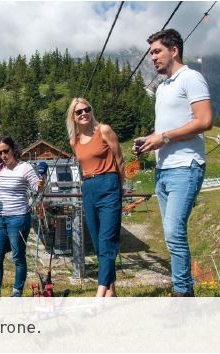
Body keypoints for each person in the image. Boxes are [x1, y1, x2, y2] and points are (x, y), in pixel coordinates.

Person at [133, 29, 213, 297]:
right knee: (170, 234)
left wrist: (164, 137)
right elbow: (166, 131)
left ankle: (183, 295)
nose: (152, 58)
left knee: (174, 232)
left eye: (156, 51)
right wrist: (150, 141)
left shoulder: (191, 78)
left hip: (186, 166)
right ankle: (182, 291)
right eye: (151, 53)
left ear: (174, 50)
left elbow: (204, 121)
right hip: (164, 169)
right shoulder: (163, 87)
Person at [67, 98, 124, 297]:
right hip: (88, 188)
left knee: (108, 239)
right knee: (99, 242)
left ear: (91, 111)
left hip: (109, 183)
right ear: (73, 118)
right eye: (78, 112)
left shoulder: (104, 130)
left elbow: (119, 160)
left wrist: (119, 187)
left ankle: (99, 295)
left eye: (86, 109)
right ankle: (111, 292)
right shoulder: (73, 142)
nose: (83, 113)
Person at [0, 136, 44, 297]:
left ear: (14, 150)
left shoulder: (25, 168)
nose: (3, 155)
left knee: (18, 257)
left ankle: (17, 293)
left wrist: (41, 183)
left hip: (18, 218)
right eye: (0, 153)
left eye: (6, 151)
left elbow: (36, 187)